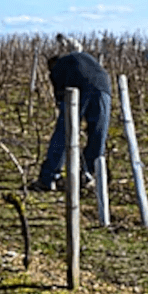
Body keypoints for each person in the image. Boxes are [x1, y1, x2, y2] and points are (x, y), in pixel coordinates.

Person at [31, 48, 111, 191]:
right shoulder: (80, 58)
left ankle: (49, 177)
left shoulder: (58, 67)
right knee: (98, 133)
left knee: (64, 132)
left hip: (80, 87)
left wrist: (63, 110)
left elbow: (60, 96)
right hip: (103, 86)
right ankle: (88, 174)